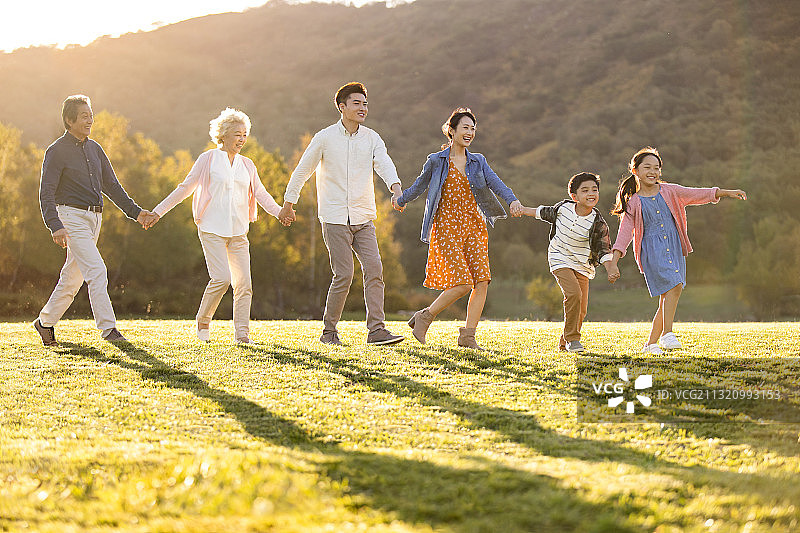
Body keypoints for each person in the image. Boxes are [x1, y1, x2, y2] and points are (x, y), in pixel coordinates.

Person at [278, 82, 404, 346]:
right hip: (334, 217)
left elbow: (384, 163)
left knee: (374, 270)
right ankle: (329, 332)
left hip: (363, 216)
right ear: (342, 106)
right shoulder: (324, 137)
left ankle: (377, 331)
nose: (363, 108)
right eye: (356, 103)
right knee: (344, 274)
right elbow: (303, 170)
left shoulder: (372, 138)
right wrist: (289, 203)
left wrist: (396, 189)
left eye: (365, 103)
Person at [145, 108, 284, 344]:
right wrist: (158, 212)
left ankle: (242, 335)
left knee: (244, 285)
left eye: (244, 134)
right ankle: (203, 319)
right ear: (223, 135)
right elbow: (185, 188)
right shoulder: (207, 159)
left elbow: (260, 194)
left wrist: (280, 213)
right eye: (237, 134)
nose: (242, 139)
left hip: (239, 231)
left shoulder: (247, 165)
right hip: (211, 229)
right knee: (221, 278)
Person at [393, 108, 522, 350]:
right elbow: (419, 186)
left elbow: (496, 182)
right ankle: (425, 316)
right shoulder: (436, 160)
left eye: (473, 128)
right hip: (446, 226)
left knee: (482, 280)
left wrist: (512, 199)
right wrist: (401, 200)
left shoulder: (478, 161)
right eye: (465, 127)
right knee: (463, 283)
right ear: (451, 131)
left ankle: (468, 336)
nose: (470, 132)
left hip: (474, 225)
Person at [33, 94, 156, 346]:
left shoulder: (95, 149)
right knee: (97, 271)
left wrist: (136, 212)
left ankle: (44, 323)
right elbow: (46, 192)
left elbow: (111, 185)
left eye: (91, 115)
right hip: (70, 217)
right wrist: (55, 225)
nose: (90, 119)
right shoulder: (56, 151)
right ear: (69, 120)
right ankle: (109, 330)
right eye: (84, 116)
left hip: (93, 219)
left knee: (72, 278)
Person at [608, 147, 747, 354]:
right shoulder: (634, 202)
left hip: (674, 247)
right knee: (673, 286)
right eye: (647, 167)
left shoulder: (669, 190)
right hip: (652, 251)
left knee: (671, 292)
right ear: (635, 170)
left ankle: (651, 344)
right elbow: (624, 234)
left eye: (657, 168)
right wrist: (613, 261)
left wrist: (724, 192)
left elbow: (696, 194)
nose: (653, 171)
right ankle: (667, 334)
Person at [519, 172, 619, 353]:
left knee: (581, 309)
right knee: (573, 294)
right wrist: (523, 209)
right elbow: (542, 212)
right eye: (585, 190)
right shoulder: (563, 209)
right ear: (574, 196)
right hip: (559, 258)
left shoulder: (598, 223)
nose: (591, 193)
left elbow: (604, 249)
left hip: (582, 265)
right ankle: (574, 340)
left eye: (594, 190)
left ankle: (564, 343)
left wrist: (611, 267)